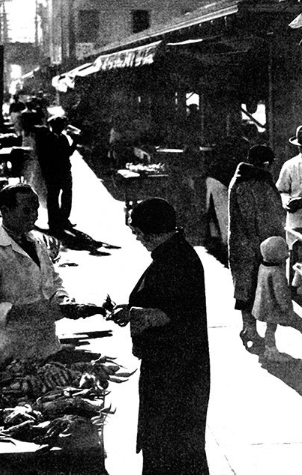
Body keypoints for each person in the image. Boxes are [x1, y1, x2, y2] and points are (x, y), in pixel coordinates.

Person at [109, 198, 210, 475]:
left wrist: (133, 314)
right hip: (172, 368)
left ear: (152, 230)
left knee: (171, 446)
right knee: (170, 446)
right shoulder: (172, 254)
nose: (139, 238)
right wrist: (133, 310)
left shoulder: (176, 261)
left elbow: (169, 313)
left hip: (176, 371)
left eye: (140, 232)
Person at [0, 183, 89, 363]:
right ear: (6, 211)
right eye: (26, 210)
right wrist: (20, 312)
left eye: (36, 209)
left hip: (47, 347)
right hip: (9, 353)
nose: (34, 215)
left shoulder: (35, 242)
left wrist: (62, 301)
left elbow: (53, 281)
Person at [228, 145, 285, 352]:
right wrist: (261, 246)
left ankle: (249, 330)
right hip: (252, 248)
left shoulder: (246, 177)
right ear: (266, 164)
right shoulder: (249, 182)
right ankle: (250, 331)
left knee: (249, 289)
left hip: (251, 246)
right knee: (250, 290)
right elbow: (250, 218)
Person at [253, 236, 294, 363]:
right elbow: (281, 293)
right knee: (271, 329)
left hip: (262, 305)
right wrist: (286, 307)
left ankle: (269, 349)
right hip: (273, 307)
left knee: (269, 328)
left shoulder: (263, 266)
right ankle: (271, 351)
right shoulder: (277, 272)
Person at [39, 115, 76, 233]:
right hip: (53, 173)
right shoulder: (47, 139)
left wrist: (75, 142)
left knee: (67, 195)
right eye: (61, 125)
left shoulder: (63, 138)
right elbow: (42, 158)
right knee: (53, 197)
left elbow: (68, 153)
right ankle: (53, 222)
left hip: (65, 171)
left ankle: (64, 219)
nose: (63, 128)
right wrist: (45, 174)